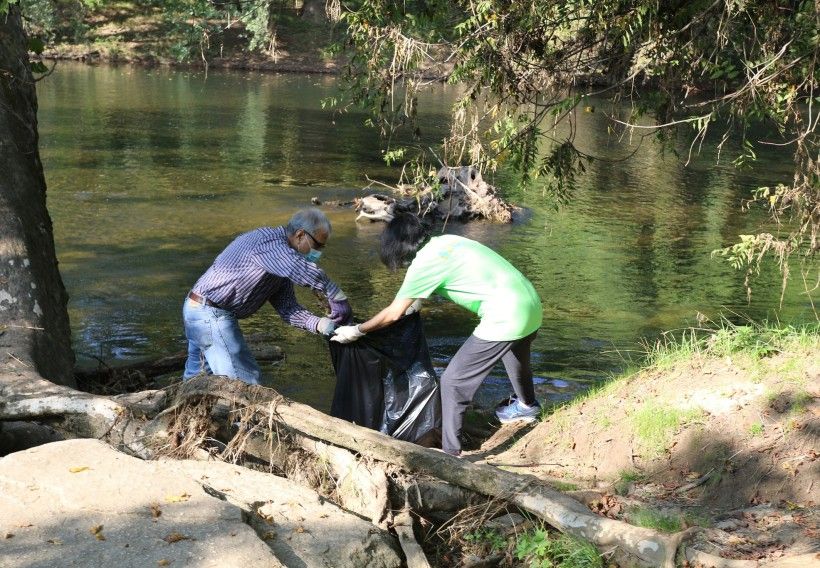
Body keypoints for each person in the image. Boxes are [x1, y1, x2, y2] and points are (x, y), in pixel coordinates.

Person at [332, 213, 542, 456]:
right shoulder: (446, 242)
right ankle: (527, 405)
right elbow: (443, 280)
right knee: (515, 352)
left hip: (505, 313)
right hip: (530, 303)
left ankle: (451, 453)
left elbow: (393, 314)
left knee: (453, 382)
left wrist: (357, 330)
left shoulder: (422, 264)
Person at [183, 208, 351, 385]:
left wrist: (321, 324)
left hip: (198, 311)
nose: (318, 252)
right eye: (317, 245)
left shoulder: (280, 264)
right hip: (209, 314)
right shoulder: (269, 243)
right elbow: (299, 269)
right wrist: (336, 295)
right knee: (245, 384)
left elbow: (288, 308)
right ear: (300, 234)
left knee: (197, 382)